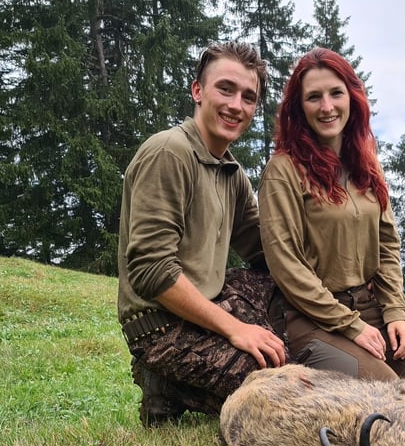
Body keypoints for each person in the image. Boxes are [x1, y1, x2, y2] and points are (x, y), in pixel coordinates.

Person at [258, 47, 405, 387]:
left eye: (336, 93)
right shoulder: (283, 171)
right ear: (298, 107)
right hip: (313, 318)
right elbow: (286, 266)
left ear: (353, 96)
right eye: (313, 97)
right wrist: (351, 326)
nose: (327, 107)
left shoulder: (366, 163)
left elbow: (388, 246)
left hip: (370, 306)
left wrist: (395, 314)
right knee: (390, 396)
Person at [118, 41, 287, 426]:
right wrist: (236, 329)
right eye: (225, 89)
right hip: (161, 326)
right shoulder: (168, 153)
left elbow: (267, 252)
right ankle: (164, 381)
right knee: (280, 390)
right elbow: (151, 272)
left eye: (248, 97)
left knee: (286, 302)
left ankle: (180, 383)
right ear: (197, 90)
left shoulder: (229, 171)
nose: (236, 105)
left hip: (210, 303)